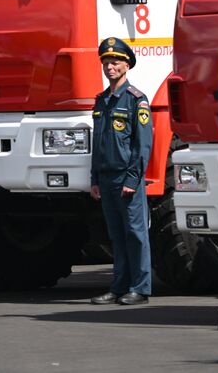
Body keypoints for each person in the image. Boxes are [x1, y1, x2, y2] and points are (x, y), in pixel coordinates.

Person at [89, 36, 152, 306]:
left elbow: (143, 145)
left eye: (115, 61)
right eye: (106, 62)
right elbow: (98, 144)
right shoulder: (101, 100)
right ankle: (119, 287)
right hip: (105, 178)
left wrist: (133, 178)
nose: (109, 66)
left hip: (127, 179)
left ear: (127, 65)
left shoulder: (137, 100)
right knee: (116, 235)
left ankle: (140, 288)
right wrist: (94, 179)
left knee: (136, 234)